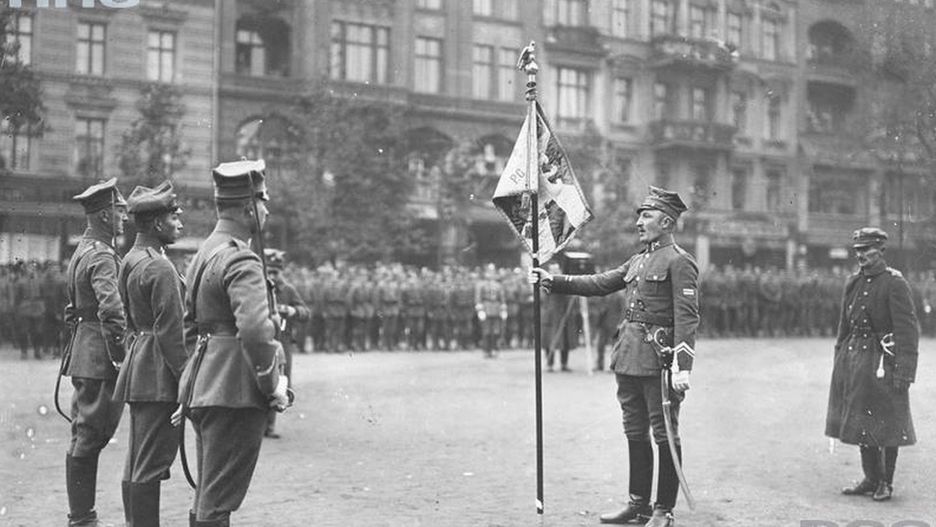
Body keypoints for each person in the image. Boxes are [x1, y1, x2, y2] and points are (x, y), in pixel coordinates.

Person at [531, 186, 699, 527]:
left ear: (667, 222)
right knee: (634, 429)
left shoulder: (679, 261)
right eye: (639, 215)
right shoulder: (638, 260)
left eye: (647, 215)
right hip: (628, 356)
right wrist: (555, 280)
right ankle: (637, 505)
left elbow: (687, 317)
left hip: (659, 360)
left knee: (664, 432)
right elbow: (601, 282)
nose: (639, 221)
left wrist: (682, 367)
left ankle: (663, 510)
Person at [175, 160, 290, 526]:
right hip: (235, 390)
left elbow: (187, 327)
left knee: (208, 494)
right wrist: (272, 385)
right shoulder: (241, 257)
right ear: (247, 208)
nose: (267, 210)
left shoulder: (205, 253)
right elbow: (255, 333)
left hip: (205, 385)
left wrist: (187, 384)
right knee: (218, 501)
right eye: (263, 202)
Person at [826, 227, 919, 502]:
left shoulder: (895, 283)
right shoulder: (853, 283)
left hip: (883, 361)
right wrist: (839, 358)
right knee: (861, 420)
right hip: (855, 361)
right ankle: (870, 477)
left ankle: (885, 482)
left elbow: (907, 331)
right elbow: (844, 326)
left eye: (867, 250)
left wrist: (905, 370)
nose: (862, 256)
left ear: (881, 251)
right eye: (858, 251)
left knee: (887, 423)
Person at [113, 181, 186, 526]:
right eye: (174, 216)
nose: (180, 222)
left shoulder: (131, 259)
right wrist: (187, 378)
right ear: (157, 224)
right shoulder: (160, 267)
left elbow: (129, 318)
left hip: (140, 363)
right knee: (152, 463)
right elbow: (172, 333)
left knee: (138, 459)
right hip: (159, 373)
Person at [62, 178, 129, 527]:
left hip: (84, 352)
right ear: (105, 215)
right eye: (120, 211)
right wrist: (121, 357)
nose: (125, 217)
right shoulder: (102, 256)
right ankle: (82, 518)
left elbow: (72, 308)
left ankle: (81, 515)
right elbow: (112, 312)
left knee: (83, 434)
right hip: (100, 357)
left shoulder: (83, 250)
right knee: (91, 436)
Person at [263, 248, 310, 439]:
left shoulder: (288, 290)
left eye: (276, 272)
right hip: (263, 340)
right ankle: (258, 425)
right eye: (270, 271)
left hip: (283, 341)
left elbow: (306, 312)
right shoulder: (258, 287)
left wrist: (293, 311)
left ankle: (270, 425)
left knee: (280, 382)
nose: (273, 276)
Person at [475, 263, 507, 358]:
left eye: (492, 272)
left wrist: (503, 309)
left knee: (496, 332)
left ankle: (495, 349)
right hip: (486, 307)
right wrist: (480, 310)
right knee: (486, 332)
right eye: (489, 272)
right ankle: (486, 350)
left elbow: (502, 298)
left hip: (496, 308)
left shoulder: (499, 285)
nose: (490, 274)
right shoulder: (481, 285)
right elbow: (478, 298)